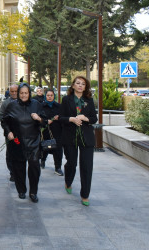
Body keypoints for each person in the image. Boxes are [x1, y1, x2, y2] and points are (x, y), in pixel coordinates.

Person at [1, 83, 44, 203]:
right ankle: (21, 190)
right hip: (17, 141)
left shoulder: (36, 104)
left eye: (26, 93)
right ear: (18, 94)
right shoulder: (11, 106)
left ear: (29, 94)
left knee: (34, 168)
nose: (24, 95)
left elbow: (45, 121)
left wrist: (39, 118)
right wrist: (8, 132)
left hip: (33, 141)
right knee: (19, 168)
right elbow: (4, 122)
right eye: (21, 93)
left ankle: (33, 192)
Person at [59, 76, 97, 206]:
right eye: (78, 83)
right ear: (73, 85)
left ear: (85, 87)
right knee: (72, 163)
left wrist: (85, 118)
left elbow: (94, 119)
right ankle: (68, 181)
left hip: (86, 138)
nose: (80, 85)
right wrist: (71, 119)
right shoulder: (66, 100)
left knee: (87, 166)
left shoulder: (89, 101)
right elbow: (61, 118)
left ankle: (85, 195)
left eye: (83, 84)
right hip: (70, 137)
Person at [0, 84, 19, 182]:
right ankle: (12, 173)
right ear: (9, 92)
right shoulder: (6, 103)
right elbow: (0, 116)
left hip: (23, 132)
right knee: (10, 153)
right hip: (10, 132)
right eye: (12, 91)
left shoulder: (24, 101)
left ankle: (20, 171)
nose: (14, 93)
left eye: (16, 91)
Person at [40, 89, 63, 176]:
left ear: (54, 96)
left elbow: (63, 116)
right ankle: (42, 160)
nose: (49, 97)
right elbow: (38, 118)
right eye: (48, 95)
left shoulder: (59, 106)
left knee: (58, 149)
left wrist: (58, 117)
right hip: (45, 131)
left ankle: (58, 167)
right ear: (45, 96)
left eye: (51, 95)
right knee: (46, 147)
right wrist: (46, 121)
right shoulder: (41, 106)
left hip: (57, 131)